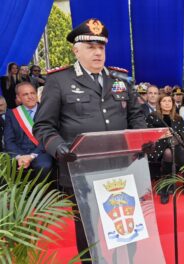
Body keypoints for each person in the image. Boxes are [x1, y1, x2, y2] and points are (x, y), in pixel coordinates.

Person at [32, 19, 147, 263]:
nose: (97, 52)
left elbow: (136, 115)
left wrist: (139, 138)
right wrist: (58, 147)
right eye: (91, 47)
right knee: (88, 231)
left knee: (126, 226)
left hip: (120, 167)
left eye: (101, 47)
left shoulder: (120, 78)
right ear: (76, 50)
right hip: (80, 169)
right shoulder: (58, 81)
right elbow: (43, 125)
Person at [146, 95, 184, 203]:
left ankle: (165, 187)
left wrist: (175, 137)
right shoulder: (152, 117)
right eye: (164, 101)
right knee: (170, 146)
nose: (167, 103)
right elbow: (149, 135)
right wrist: (166, 136)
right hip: (158, 149)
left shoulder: (178, 118)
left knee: (170, 150)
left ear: (173, 104)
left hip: (175, 148)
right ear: (159, 103)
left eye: (169, 101)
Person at [4, 82, 52, 175]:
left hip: (41, 150)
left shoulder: (46, 111)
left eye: (32, 93)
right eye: (25, 94)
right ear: (18, 98)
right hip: (18, 151)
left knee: (44, 166)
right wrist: (19, 156)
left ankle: (41, 190)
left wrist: (32, 156)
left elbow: (49, 137)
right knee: (5, 166)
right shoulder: (11, 114)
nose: (30, 97)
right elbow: (9, 140)